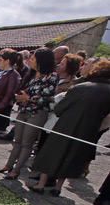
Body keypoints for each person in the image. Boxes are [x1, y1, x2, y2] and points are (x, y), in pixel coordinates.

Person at [30, 59, 110, 196]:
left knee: (52, 153)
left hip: (65, 127)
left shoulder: (81, 87)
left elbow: (59, 109)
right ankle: (58, 188)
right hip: (88, 130)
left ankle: (41, 184)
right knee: (71, 157)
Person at [0, 48, 57, 179]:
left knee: (26, 143)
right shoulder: (31, 74)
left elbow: (48, 98)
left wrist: (28, 98)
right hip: (24, 110)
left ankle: (16, 170)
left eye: (33, 58)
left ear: (42, 60)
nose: (30, 60)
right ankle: (8, 165)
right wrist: (19, 97)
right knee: (17, 140)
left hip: (37, 113)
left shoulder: (52, 76)